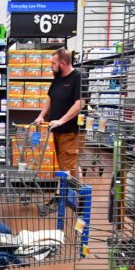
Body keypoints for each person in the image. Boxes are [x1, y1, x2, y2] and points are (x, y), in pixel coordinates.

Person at [34, 48, 82, 214]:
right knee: (68, 165)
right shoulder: (58, 78)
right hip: (57, 131)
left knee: (65, 168)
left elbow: (80, 103)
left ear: (63, 63)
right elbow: (50, 98)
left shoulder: (78, 77)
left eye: (53, 63)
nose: (51, 66)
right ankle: (80, 196)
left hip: (69, 131)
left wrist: (61, 120)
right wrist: (41, 116)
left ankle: (58, 199)